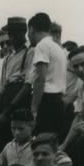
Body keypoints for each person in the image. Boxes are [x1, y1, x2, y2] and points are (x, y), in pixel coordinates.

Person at [26, 12, 68, 143]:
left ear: (31, 29)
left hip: (47, 100)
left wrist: (33, 109)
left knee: (43, 142)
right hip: (58, 101)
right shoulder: (58, 48)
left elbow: (40, 78)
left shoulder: (42, 46)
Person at [0, 17, 31, 148]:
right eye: (10, 34)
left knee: (20, 141)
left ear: (23, 33)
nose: (12, 38)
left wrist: (7, 111)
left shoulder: (30, 52)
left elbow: (27, 85)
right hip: (6, 100)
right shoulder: (8, 59)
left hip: (19, 102)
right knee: (5, 142)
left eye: (16, 34)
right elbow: (1, 88)